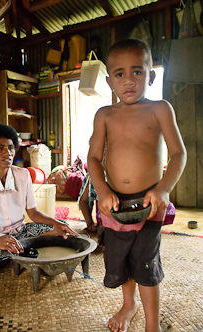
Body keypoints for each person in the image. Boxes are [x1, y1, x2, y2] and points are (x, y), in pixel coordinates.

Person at [87, 39, 187, 332]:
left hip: (149, 202)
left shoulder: (160, 109)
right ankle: (128, 306)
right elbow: (93, 158)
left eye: (137, 72)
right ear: (109, 81)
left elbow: (179, 153)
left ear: (151, 75)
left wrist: (164, 188)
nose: (128, 80)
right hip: (113, 203)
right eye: (119, 74)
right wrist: (102, 190)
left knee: (145, 262)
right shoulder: (104, 115)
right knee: (121, 260)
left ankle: (152, 326)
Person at [0, 123, 78, 275]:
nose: (8, 153)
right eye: (0, 148)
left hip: (21, 231)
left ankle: (17, 250)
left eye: (11, 148)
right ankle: (22, 249)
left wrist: (55, 222)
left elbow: (33, 213)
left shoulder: (23, 175)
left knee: (62, 227)